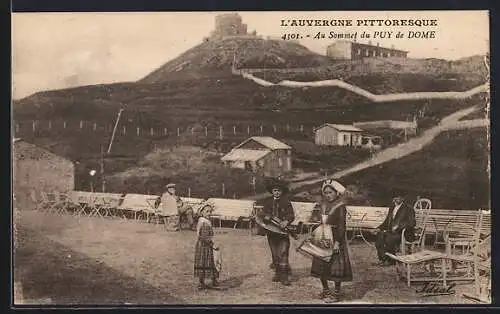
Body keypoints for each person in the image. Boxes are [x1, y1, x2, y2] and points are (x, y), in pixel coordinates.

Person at [309, 179, 353, 302]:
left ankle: (336, 293)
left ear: (336, 193)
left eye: (330, 192)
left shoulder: (340, 206)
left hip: (335, 238)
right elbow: (316, 220)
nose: (328, 195)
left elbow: (342, 225)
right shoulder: (322, 205)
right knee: (321, 263)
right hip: (322, 237)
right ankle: (325, 290)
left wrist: (338, 242)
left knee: (336, 265)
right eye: (326, 193)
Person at [258, 177, 295, 286]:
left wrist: (286, 221)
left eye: (279, 190)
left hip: (283, 232)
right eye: (275, 190)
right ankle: (278, 273)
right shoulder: (268, 202)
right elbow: (262, 215)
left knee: (283, 252)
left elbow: (291, 215)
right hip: (272, 232)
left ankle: (284, 276)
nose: (277, 192)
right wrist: (265, 218)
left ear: (282, 191)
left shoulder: (286, 202)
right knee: (275, 253)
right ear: (272, 191)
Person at [374, 196, 416, 266]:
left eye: (399, 197)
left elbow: (412, 223)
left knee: (389, 238)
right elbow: (386, 222)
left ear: (403, 198)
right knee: (380, 235)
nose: (397, 199)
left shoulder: (408, 208)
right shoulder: (392, 207)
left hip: (404, 233)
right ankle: (382, 259)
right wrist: (378, 228)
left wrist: (399, 226)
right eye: (395, 197)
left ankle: (391, 260)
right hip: (392, 232)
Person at [194, 204, 220, 290]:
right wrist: (212, 243)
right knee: (205, 262)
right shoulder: (204, 222)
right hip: (204, 246)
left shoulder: (205, 221)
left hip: (204, 245)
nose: (209, 213)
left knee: (209, 262)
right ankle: (202, 282)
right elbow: (204, 237)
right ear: (201, 212)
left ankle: (212, 280)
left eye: (210, 211)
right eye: (207, 211)